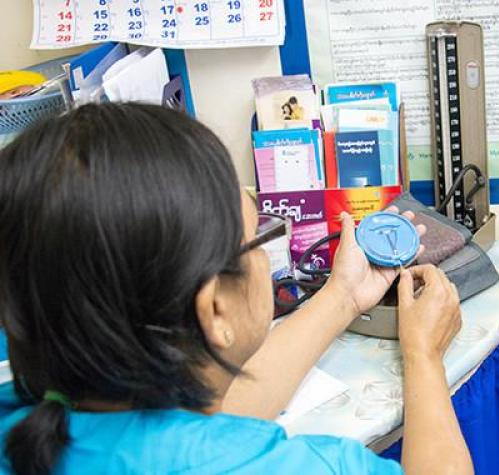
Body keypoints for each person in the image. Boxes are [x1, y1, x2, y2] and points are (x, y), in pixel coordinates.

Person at [0, 103, 473, 474]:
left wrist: (344, 295)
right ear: (214, 309)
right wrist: (423, 354)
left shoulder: (23, 427)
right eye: (259, 237)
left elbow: (186, 426)